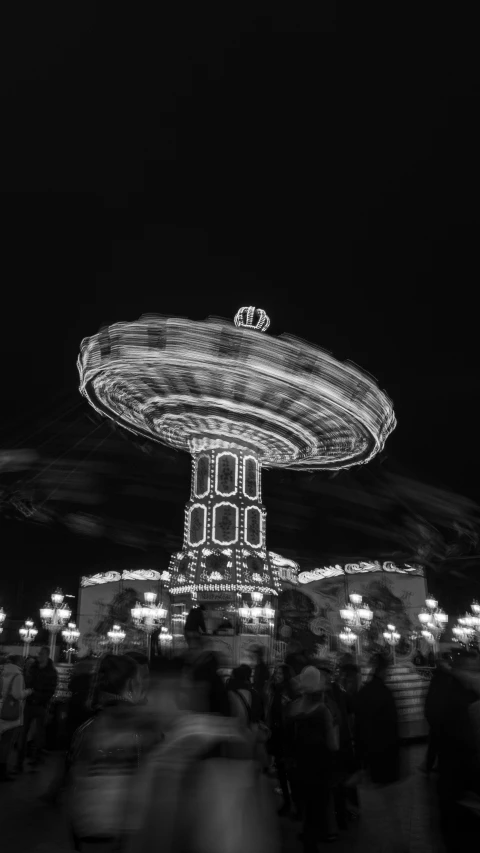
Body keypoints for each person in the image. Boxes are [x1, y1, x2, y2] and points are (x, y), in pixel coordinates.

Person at [66, 653, 157, 851]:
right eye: (143, 680)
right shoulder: (139, 729)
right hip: (122, 831)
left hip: (89, 826)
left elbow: (75, 781)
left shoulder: (86, 729)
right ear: (132, 684)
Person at [288, 665, 339, 850]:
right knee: (317, 806)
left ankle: (308, 836)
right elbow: (333, 743)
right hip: (320, 766)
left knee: (306, 804)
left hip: (300, 766)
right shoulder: (323, 711)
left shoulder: (293, 709)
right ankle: (313, 839)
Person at [354, 653, 400, 785]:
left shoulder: (365, 690)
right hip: (384, 740)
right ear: (383, 671)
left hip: (370, 741)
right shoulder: (384, 692)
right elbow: (391, 721)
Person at [18, 646, 58, 770]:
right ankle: (19, 762)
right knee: (23, 733)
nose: (39, 656)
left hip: (41, 704)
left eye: (41, 654)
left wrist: (42, 698)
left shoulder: (50, 671)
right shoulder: (34, 668)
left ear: (46, 655)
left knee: (39, 734)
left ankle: (35, 760)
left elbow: (51, 688)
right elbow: (27, 681)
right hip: (30, 703)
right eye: (39, 654)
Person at [0, 655, 33, 781]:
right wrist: (28, 691)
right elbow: (17, 694)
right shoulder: (17, 675)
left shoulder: (1, 672)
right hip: (10, 712)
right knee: (7, 742)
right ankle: (2, 770)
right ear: (18, 662)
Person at [423, 653, 452, 774]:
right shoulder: (446, 679)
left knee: (435, 744)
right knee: (439, 743)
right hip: (441, 717)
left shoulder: (436, 680)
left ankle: (430, 766)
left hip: (435, 716)